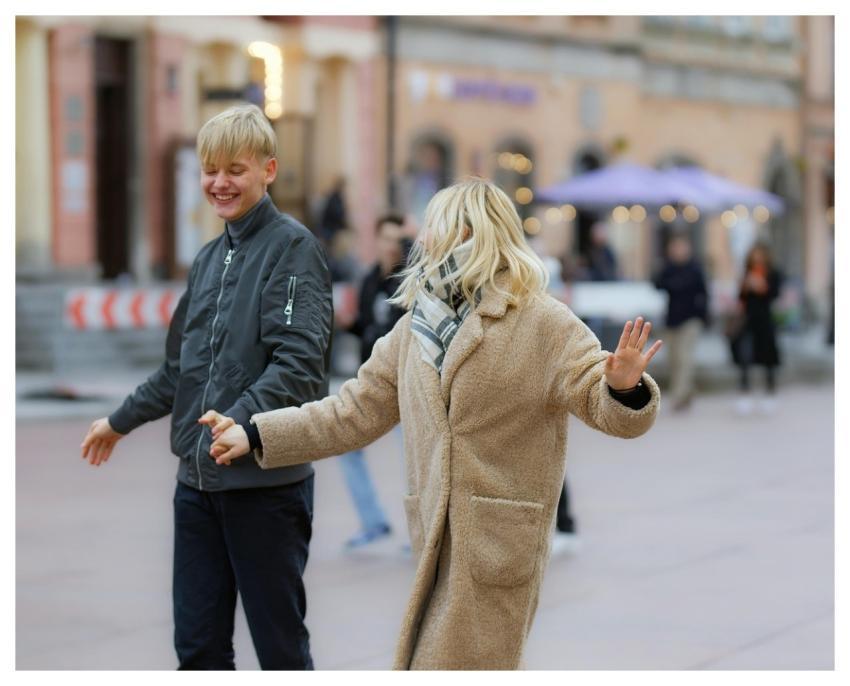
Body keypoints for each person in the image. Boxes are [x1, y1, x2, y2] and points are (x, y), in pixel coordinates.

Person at [201, 177, 663, 670]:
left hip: (497, 549)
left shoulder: (543, 322)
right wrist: (254, 432)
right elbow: (351, 412)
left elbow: (607, 408)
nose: (418, 239)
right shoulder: (415, 326)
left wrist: (624, 387)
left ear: (466, 231)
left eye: (431, 226)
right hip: (434, 543)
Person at [79, 104, 334, 670]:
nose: (219, 183)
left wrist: (240, 420)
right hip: (196, 488)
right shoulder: (208, 260)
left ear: (268, 170)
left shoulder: (293, 250)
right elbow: (180, 370)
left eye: (235, 170)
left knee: (281, 651)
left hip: (265, 489)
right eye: (210, 170)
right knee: (197, 649)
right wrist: (118, 421)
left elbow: (299, 363)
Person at [338, 213, 409, 549]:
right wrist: (346, 324)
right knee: (348, 448)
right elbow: (368, 327)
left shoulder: (411, 280)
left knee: (415, 457)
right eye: (386, 237)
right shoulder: (368, 280)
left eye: (398, 239)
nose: (391, 245)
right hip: (371, 383)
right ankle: (372, 521)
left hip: (404, 383)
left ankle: (422, 532)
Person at [653, 234, 710, 412]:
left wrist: (703, 316)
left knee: (685, 358)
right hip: (672, 320)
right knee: (673, 359)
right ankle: (687, 391)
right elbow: (657, 284)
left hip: (690, 320)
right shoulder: (668, 268)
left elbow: (704, 293)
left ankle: (678, 396)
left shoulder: (695, 269)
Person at [732, 242, 782, 415]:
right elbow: (740, 297)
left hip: (765, 321)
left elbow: (774, 294)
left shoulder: (773, 274)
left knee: (768, 358)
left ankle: (770, 391)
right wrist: (746, 286)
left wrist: (762, 286)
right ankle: (744, 393)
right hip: (748, 321)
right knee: (745, 356)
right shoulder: (747, 273)